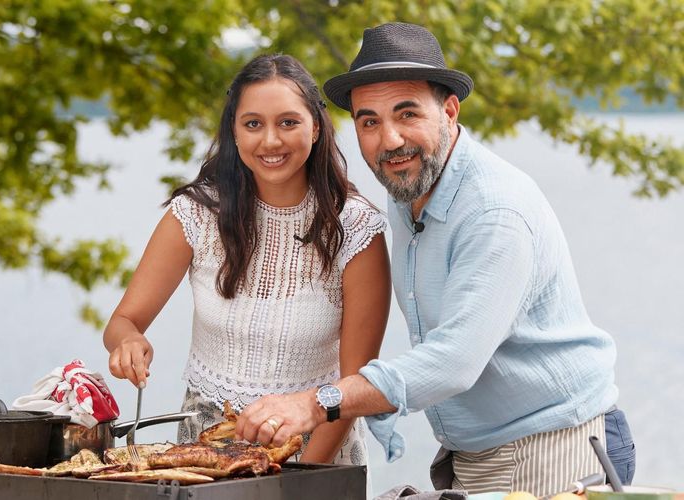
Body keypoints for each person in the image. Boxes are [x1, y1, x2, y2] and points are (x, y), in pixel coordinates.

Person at [235, 23, 636, 495]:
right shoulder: (409, 184)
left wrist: (319, 401)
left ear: (449, 110)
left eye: (407, 114)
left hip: (556, 445)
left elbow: (454, 362)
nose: (388, 139)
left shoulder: (495, 211)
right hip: (474, 452)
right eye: (369, 121)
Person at [103, 54, 390, 466]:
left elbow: (354, 385)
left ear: (316, 127)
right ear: (234, 132)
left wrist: (300, 480)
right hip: (206, 450)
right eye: (253, 124)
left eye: (288, 122)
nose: (270, 141)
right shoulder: (197, 213)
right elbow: (122, 322)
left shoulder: (357, 229)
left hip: (318, 450)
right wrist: (128, 342)